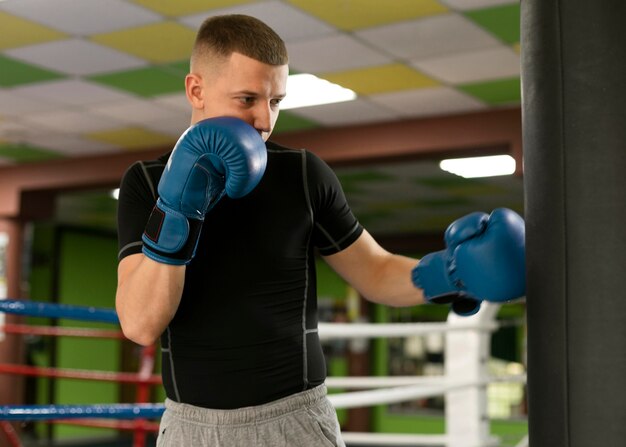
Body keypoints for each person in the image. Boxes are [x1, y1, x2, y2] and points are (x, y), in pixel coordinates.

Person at [115, 14, 525, 447]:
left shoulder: (303, 174)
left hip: (296, 421)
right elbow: (141, 324)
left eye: (275, 102)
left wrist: (453, 273)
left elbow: (375, 270)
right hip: (192, 429)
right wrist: (178, 207)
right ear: (196, 89)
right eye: (247, 99)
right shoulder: (146, 181)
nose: (263, 120)